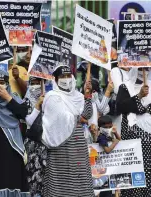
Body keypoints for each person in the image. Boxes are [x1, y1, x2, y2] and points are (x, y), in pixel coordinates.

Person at [41, 66, 94, 197]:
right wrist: (77, 117)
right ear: (56, 79)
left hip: (78, 147)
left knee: (80, 181)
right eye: (62, 77)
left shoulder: (78, 96)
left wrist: (87, 96)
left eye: (68, 76)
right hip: (60, 147)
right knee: (61, 184)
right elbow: (61, 117)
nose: (66, 79)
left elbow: (87, 114)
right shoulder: (51, 97)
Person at [117, 67, 151, 197]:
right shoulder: (125, 87)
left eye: (145, 68)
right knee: (135, 176)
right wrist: (138, 96)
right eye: (140, 68)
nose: (142, 71)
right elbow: (121, 106)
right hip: (133, 140)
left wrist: (146, 108)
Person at [23, 77, 47, 197]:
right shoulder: (26, 101)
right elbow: (28, 122)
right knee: (32, 177)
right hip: (32, 145)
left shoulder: (50, 99)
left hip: (47, 144)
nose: (36, 85)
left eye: (39, 82)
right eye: (33, 83)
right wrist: (38, 106)